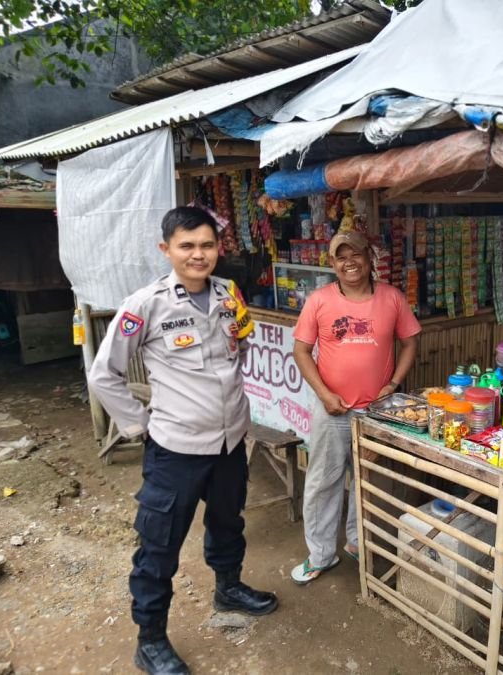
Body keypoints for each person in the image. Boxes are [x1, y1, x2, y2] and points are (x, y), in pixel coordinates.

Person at [88, 206, 277, 675]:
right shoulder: (145, 305)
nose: (199, 254)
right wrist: (140, 428)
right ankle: (150, 639)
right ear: (166, 249)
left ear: (218, 248)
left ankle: (228, 586)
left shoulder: (228, 293)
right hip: (176, 449)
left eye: (207, 245)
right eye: (187, 246)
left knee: (228, 521)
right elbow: (105, 375)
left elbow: (240, 345)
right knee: (159, 546)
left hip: (231, 441)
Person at [291, 230, 421, 584]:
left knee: (370, 480)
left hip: (377, 414)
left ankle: (356, 541)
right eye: (341, 256)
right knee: (323, 483)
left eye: (356, 255)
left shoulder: (392, 298)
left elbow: (410, 343)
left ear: (369, 259)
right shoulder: (319, 301)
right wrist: (323, 394)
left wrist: (392, 385)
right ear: (332, 264)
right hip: (332, 410)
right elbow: (301, 352)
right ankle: (320, 555)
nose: (350, 262)